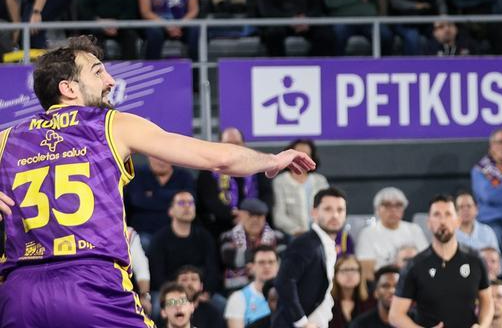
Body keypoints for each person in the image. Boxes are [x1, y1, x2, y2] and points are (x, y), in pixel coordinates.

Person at [0, 36, 314, 328]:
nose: (110, 81)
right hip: (90, 282)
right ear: (68, 88)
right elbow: (218, 160)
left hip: (19, 294)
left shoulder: (7, 139)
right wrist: (272, 160)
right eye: (98, 73)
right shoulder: (111, 125)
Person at [387, 195, 493, 328]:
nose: (443, 221)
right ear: (429, 222)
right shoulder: (415, 266)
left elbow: (487, 302)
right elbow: (395, 315)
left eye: (448, 214)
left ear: (457, 221)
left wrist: (483, 326)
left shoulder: (476, 260)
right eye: (437, 215)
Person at [272, 187, 348, 328]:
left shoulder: (326, 244)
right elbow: (284, 282)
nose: (335, 215)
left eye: (340, 210)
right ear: (314, 212)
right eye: (328, 209)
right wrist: (302, 322)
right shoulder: (304, 243)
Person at [148, 190, 221, 296]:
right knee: (155, 306)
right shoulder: (160, 239)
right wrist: (175, 294)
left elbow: (212, 270)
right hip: (169, 294)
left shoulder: (204, 237)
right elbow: (157, 275)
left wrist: (206, 292)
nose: (187, 206)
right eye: (181, 203)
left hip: (199, 293)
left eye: (191, 203)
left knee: (222, 306)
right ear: (170, 211)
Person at [355, 187, 429, 282]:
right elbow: (367, 273)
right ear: (377, 209)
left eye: (398, 205)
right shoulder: (367, 233)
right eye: (387, 205)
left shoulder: (414, 229)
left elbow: (426, 262)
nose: (393, 210)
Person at [217, 196, 283, 293]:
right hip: (236, 289)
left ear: (265, 217)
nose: (255, 220)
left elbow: (283, 260)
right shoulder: (227, 236)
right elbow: (229, 258)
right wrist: (262, 261)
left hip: (272, 288)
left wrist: (253, 264)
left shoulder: (278, 237)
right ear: (241, 215)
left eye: (259, 216)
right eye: (251, 215)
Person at [271, 139, 331, 238]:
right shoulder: (280, 181)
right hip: (292, 235)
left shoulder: (320, 181)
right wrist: (297, 231)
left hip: (319, 233)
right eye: (298, 155)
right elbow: (279, 216)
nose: (302, 159)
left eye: (307, 155)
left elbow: (327, 209)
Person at [224, 246, 279, 328]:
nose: (267, 266)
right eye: (261, 262)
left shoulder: (292, 295)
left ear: (278, 265)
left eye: (271, 262)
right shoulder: (238, 298)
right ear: (251, 267)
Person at [330, 254, 373, 328]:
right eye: (345, 270)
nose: (349, 275)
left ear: (360, 274)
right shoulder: (329, 303)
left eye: (353, 270)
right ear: (335, 274)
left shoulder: (369, 302)